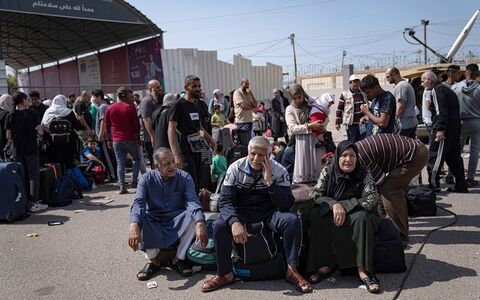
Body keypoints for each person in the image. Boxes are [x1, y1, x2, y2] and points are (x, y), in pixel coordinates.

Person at [201, 136, 311, 293]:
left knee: (291, 220)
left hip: (268, 213)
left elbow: (286, 205)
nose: (257, 159)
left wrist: (270, 183)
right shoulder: (235, 168)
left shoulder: (279, 170)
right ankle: (224, 273)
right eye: (253, 154)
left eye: (262, 155)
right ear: (248, 152)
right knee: (219, 225)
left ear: (269, 154)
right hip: (242, 213)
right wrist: (234, 222)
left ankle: (291, 270)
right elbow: (225, 202)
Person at [307, 140, 380, 294]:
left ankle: (363, 270)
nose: (348, 159)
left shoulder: (364, 172)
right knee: (316, 215)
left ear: (357, 158)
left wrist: (344, 206)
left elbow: (371, 199)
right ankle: (324, 265)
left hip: (358, 211)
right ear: (338, 156)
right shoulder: (328, 171)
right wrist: (334, 204)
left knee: (362, 218)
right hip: (334, 211)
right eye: (344, 155)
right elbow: (317, 194)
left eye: (352, 156)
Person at [128, 148, 208, 281]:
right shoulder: (146, 179)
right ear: (156, 167)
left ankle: (178, 259)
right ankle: (154, 261)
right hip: (155, 219)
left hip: (177, 219)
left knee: (194, 217)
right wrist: (133, 225)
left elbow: (192, 201)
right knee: (139, 218)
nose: (172, 166)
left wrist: (200, 222)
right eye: (166, 164)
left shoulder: (184, 177)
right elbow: (138, 203)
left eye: (173, 162)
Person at [356, 134, 429, 242]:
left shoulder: (362, 156)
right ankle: (395, 226)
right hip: (415, 149)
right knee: (393, 190)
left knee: (389, 189)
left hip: (415, 155)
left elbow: (379, 182)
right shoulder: (356, 151)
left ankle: (400, 235)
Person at [421, 71, 468, 193]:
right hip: (453, 129)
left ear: (429, 80)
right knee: (453, 158)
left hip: (445, 130)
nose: (422, 84)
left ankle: (433, 184)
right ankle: (461, 185)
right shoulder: (444, 89)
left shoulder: (437, 90)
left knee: (435, 156)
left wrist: (440, 129)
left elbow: (441, 111)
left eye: (423, 81)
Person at [168, 75, 216, 191]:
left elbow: (199, 128)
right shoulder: (178, 105)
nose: (198, 89)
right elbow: (171, 129)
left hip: (197, 148)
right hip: (185, 150)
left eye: (199, 86)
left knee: (199, 179)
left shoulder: (196, 105)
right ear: (186, 87)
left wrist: (211, 140)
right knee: (190, 180)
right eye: (194, 86)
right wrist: (176, 155)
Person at [5, 92, 47, 212]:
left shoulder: (10, 115)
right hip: (31, 149)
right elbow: (40, 132)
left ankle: (23, 202)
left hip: (17, 150)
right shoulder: (32, 113)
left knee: (21, 175)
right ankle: (34, 202)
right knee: (33, 176)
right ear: (23, 100)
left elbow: (8, 136)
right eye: (27, 99)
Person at [104, 87, 141, 194]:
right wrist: (138, 138)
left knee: (120, 163)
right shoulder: (130, 107)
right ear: (126, 95)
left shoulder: (110, 108)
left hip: (116, 139)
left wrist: (109, 139)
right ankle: (134, 181)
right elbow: (136, 125)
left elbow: (107, 125)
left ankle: (122, 186)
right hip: (129, 138)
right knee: (136, 159)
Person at [285, 84, 326, 183]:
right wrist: (310, 126)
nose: (297, 100)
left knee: (319, 167)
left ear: (303, 94)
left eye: (299, 97)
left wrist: (321, 126)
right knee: (304, 167)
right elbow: (293, 128)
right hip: (302, 142)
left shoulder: (312, 105)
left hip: (317, 140)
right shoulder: (290, 109)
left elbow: (323, 115)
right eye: (294, 98)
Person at [451, 64, 480, 187]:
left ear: (465, 72)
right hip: (476, 121)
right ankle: (470, 177)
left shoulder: (455, 87)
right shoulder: (479, 88)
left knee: (457, 150)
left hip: (460, 121)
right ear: (476, 74)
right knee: (474, 150)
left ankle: (452, 175)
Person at [41, 94, 79, 169]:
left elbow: (43, 125)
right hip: (68, 142)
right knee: (69, 162)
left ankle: (59, 179)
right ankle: (70, 178)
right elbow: (75, 125)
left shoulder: (48, 112)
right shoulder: (68, 112)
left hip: (53, 142)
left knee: (56, 163)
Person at [386, 67, 419, 138]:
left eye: (388, 77)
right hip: (410, 122)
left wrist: (393, 121)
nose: (387, 79)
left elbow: (400, 107)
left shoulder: (401, 86)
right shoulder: (405, 84)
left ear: (394, 74)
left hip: (404, 124)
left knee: (400, 147)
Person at [336, 74, 367, 142]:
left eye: (358, 81)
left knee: (362, 141)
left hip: (362, 123)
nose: (356, 83)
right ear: (350, 83)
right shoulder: (344, 94)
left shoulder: (363, 94)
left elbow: (367, 105)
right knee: (352, 141)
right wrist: (337, 122)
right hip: (350, 124)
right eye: (354, 82)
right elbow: (339, 109)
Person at [93, 89, 116, 182]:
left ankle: (113, 175)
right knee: (107, 155)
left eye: (94, 97)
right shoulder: (103, 106)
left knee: (107, 156)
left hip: (104, 137)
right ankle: (112, 174)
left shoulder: (103, 107)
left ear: (99, 97)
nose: (93, 99)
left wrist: (100, 134)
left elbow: (103, 121)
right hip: (104, 136)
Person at [140, 80, 164, 169]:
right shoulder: (146, 101)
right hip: (151, 138)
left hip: (158, 136)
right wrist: (152, 136)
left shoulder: (157, 99)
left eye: (159, 87)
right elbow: (146, 119)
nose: (160, 89)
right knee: (156, 162)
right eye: (157, 87)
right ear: (150, 89)